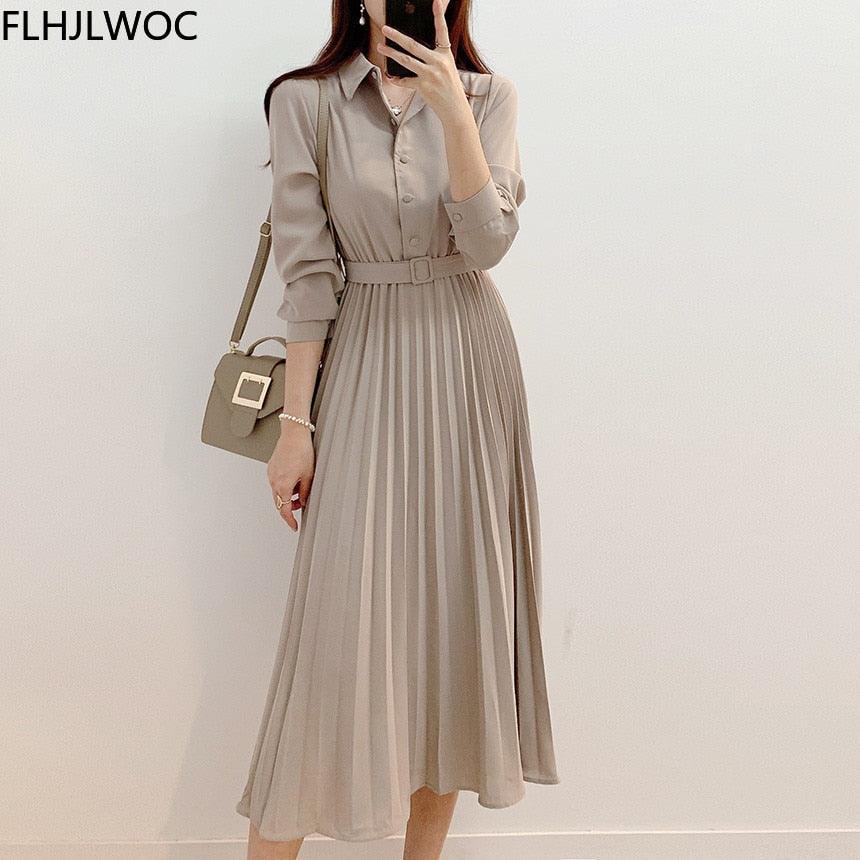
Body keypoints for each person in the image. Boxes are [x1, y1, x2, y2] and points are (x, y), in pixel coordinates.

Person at [234, 0, 560, 856]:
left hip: (467, 365)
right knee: (334, 639)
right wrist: (294, 426)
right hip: (365, 360)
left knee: (451, 632)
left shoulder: (490, 97)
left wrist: (453, 107)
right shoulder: (304, 101)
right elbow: (308, 273)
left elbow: (488, 244)